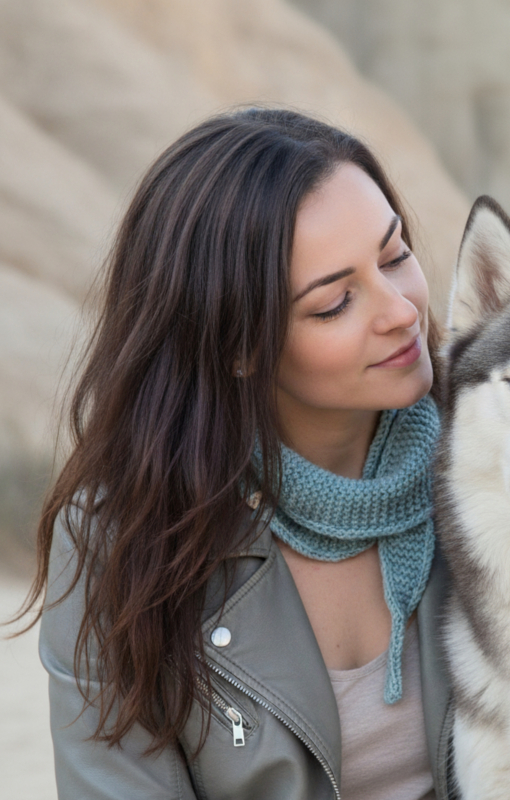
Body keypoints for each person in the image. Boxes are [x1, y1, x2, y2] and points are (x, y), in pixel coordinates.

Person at [23, 107, 453, 799]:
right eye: (335, 302)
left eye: (396, 255)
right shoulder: (119, 538)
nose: (401, 310)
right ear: (239, 348)